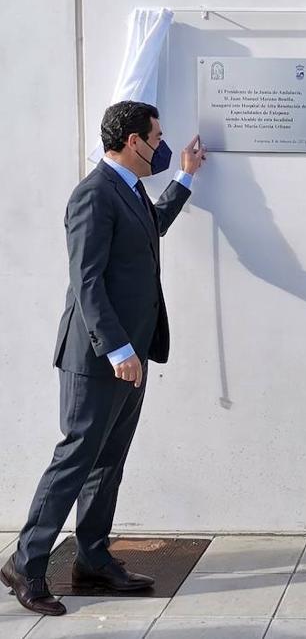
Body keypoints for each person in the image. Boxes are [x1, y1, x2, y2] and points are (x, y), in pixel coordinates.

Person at [1, 102, 205, 616]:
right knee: (74, 459)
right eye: (156, 136)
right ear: (133, 140)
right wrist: (116, 349)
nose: (161, 143)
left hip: (130, 353)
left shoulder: (129, 188)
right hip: (98, 356)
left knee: (108, 460)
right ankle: (26, 564)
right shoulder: (93, 194)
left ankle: (92, 556)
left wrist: (183, 176)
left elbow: (150, 227)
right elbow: (86, 280)